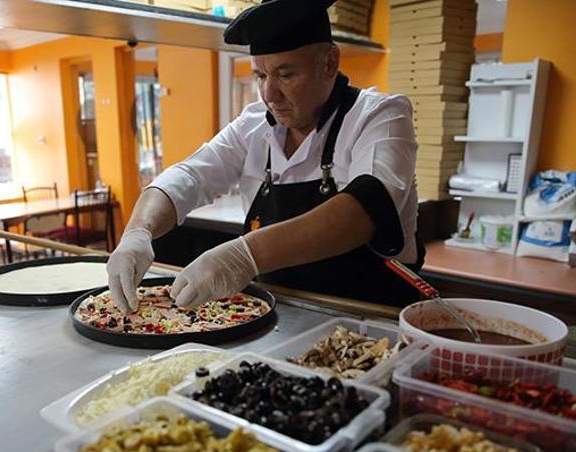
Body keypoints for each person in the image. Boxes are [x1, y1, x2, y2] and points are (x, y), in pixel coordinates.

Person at [107, 0, 423, 312]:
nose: (269, 94)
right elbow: (188, 176)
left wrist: (245, 255)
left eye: (285, 75)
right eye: (260, 76)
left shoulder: (381, 115)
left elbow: (365, 211)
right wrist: (138, 232)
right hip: (279, 315)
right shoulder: (253, 125)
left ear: (329, 63)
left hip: (368, 318)